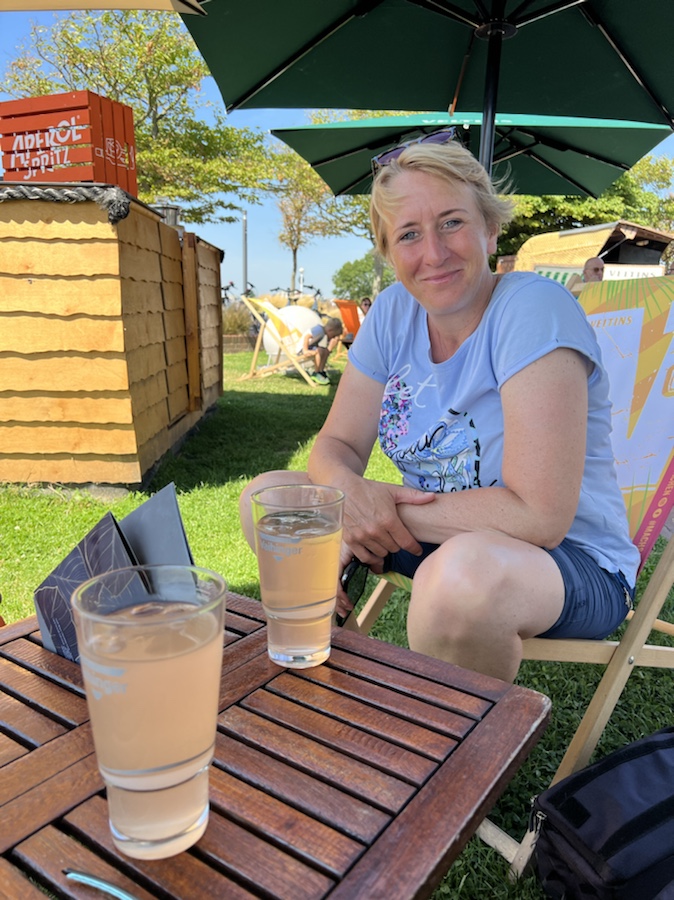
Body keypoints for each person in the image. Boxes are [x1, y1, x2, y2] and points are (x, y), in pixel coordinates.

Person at [240, 133, 639, 682]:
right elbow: (336, 445)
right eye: (409, 234)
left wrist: (372, 515)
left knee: (457, 579)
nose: (433, 253)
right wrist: (349, 496)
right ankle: (320, 678)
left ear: (490, 229)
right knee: (268, 502)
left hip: (566, 561)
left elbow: (540, 517)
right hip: (436, 539)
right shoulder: (392, 314)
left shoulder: (533, 310)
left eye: (451, 222)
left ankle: (459, 740)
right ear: (389, 251)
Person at [297, 316, 343, 385]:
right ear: (330, 330)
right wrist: (305, 350)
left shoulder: (323, 333)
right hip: (302, 348)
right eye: (333, 336)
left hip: (309, 347)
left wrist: (330, 348)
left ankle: (321, 371)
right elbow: (307, 337)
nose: (332, 338)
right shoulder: (319, 330)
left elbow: (325, 350)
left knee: (325, 351)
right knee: (320, 350)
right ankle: (316, 373)